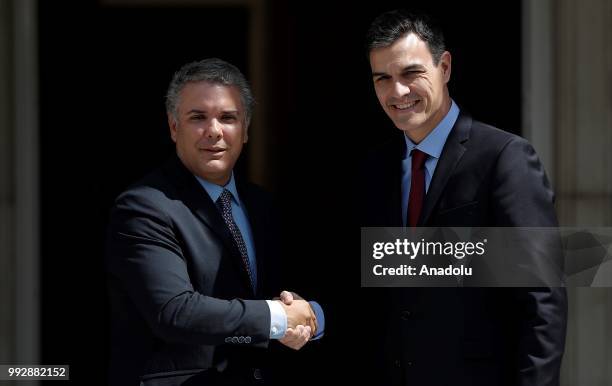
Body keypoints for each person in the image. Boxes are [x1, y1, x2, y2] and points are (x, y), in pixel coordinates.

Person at [360, 10, 567, 386]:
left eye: (411, 74)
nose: (397, 92)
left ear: (445, 67)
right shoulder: (377, 170)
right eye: (383, 79)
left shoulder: (505, 158)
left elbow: (542, 299)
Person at [105, 58, 324, 386]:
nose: (214, 130)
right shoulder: (143, 207)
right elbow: (174, 311)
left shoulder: (263, 205)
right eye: (198, 117)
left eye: (228, 118)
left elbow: (298, 289)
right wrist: (277, 317)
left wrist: (310, 318)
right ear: (173, 126)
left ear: (246, 129)